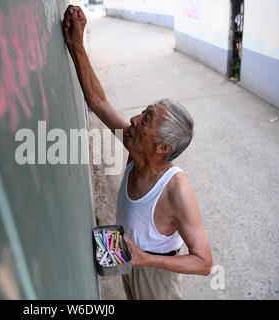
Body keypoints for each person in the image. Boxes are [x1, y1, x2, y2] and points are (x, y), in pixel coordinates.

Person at [62, 5, 213, 300]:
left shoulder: (176, 189)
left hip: (157, 276)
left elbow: (204, 262)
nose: (132, 120)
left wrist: (145, 259)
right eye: (143, 113)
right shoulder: (136, 149)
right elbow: (98, 102)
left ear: (163, 147)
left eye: (146, 120)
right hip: (129, 258)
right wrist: (76, 47)